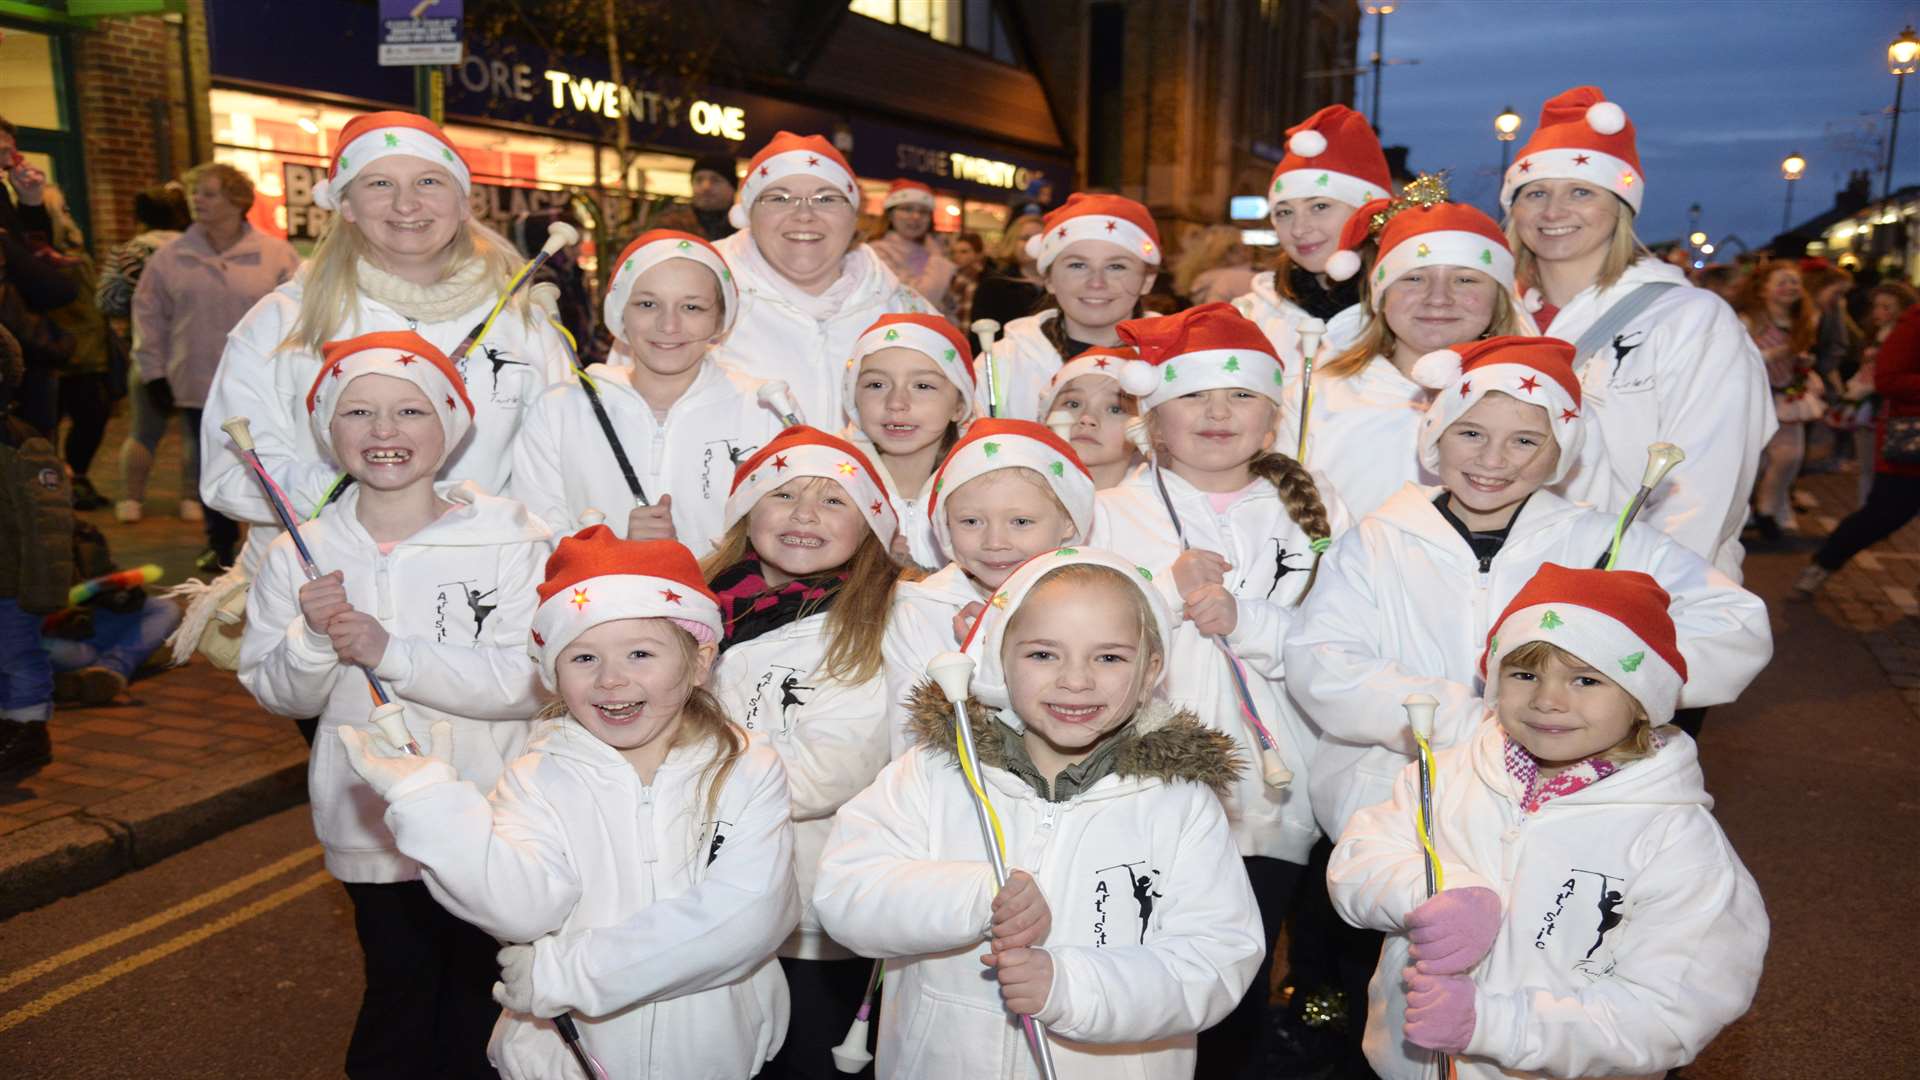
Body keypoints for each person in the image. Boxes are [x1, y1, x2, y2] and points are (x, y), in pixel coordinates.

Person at [337, 528, 800, 1079]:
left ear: (699, 663)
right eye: (583, 657)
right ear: (553, 676)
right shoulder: (537, 777)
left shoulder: (747, 768)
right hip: (565, 1060)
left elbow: (746, 916)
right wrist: (432, 806)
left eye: (640, 653)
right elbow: (521, 908)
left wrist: (564, 976)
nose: (611, 679)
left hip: (714, 1055)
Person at [1287, 335, 1769, 839]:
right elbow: (1323, 662)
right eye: (1470, 432)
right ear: (1435, 436)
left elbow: (1735, 624)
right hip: (1392, 816)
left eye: (1524, 440)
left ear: (1561, 455)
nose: (1492, 460)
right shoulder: (1375, 541)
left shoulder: (1604, 541)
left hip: (1562, 819)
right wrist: (1468, 720)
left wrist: (1610, 680)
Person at [813, 548, 1264, 1079]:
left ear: (1150, 672)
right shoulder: (933, 773)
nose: (1076, 680)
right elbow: (845, 892)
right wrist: (980, 893)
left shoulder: (1179, 803)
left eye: (1110, 657)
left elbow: (1215, 958)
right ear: (997, 658)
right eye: (1043, 655)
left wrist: (1070, 987)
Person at [237, 331, 550, 1078]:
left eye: (409, 411)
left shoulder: (511, 540)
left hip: (489, 810)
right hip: (374, 824)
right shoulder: (298, 552)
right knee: (401, 988)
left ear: (448, 425)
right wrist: (313, 640)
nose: (384, 432)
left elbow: (528, 681)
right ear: (329, 431)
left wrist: (392, 653)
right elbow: (277, 691)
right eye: (359, 413)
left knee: (486, 995)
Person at [1327, 564, 1768, 1080]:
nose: (1547, 699)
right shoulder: (1448, 774)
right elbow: (1359, 858)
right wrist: (1425, 894)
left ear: (1642, 700)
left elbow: (1669, 1012)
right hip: (1406, 1066)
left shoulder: (1675, 843)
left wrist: (1493, 1025)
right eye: (1525, 674)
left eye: (1585, 679)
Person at [1091, 303, 1348, 1078]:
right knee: (1139, 969)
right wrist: (1164, 597)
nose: (1216, 413)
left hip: (1270, 802)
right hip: (1137, 791)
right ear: (1152, 420)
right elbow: (1080, 642)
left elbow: (1347, 647)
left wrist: (1253, 621)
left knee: (1235, 986)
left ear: (1272, 418)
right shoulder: (1108, 512)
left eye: (1240, 397)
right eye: (1193, 396)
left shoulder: (1321, 511)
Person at [200, 111, 571, 581]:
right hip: (321, 590)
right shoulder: (284, 320)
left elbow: (560, 466)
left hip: (486, 587)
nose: (406, 205)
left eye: (429, 181)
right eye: (378, 184)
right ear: (346, 204)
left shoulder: (523, 322)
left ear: (462, 202)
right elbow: (229, 471)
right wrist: (375, 504)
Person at [700, 424, 907, 1080]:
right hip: (696, 897)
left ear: (869, 523)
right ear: (746, 511)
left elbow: (828, 772)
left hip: (808, 907)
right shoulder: (698, 609)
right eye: (783, 494)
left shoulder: (874, 621)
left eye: (834, 501)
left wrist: (682, 771)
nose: (804, 516)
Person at [1501, 86, 1774, 580]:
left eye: (1581, 191)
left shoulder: (1692, 320)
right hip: (1504, 587)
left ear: (1621, 207)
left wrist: (1625, 601)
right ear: (1514, 210)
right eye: (1535, 192)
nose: (1553, 211)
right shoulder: (1497, 317)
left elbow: (1705, 490)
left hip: (1631, 595)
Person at [511, 229, 783, 550]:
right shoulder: (560, 409)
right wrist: (615, 554)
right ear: (619, 313)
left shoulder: (764, 409)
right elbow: (535, 533)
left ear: (720, 318)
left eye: (692, 307)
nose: (668, 326)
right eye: (647, 304)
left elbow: (779, 535)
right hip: (595, 598)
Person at [1288, 186, 1546, 519]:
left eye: (1465, 280)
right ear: (1381, 296)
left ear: (1498, 299)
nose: (1438, 297)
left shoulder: (1537, 400)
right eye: (1414, 278)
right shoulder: (1316, 394)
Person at [880, 418, 1094, 755]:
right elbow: (913, 742)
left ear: (1068, 521)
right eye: (971, 521)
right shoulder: (920, 611)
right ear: (945, 527)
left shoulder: (1100, 609)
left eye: (1021, 522)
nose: (995, 542)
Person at [130, 163, 301, 565]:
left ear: (237, 201)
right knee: (210, 457)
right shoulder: (170, 258)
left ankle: (278, 535)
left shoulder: (275, 254)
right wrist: (152, 370)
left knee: (273, 454)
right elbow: (148, 315)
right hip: (199, 376)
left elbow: (300, 314)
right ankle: (219, 542)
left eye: (208, 193)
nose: (197, 201)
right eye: (195, 193)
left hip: (267, 378)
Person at [712, 132, 928, 427]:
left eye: (826, 198)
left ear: (854, 218)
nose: (804, 214)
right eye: (779, 198)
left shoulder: (904, 309)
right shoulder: (697, 298)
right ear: (748, 213)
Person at [972, 193, 1162, 422]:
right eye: (1078, 265)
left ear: (1147, 280)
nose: (1096, 282)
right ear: (1049, 279)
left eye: (1116, 266)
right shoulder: (1002, 364)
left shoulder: (1173, 362)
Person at [1234, 104, 1394, 367]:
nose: (1298, 229)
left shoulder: (1404, 315)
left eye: (1319, 206)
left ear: (1366, 213)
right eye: (1285, 212)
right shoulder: (1250, 315)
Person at [1798, 300, 1920, 596]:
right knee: (1884, 514)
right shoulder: (1915, 321)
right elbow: (1888, 379)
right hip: (1911, 445)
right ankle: (1824, 563)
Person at [840, 312, 977, 567]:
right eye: (876, 385)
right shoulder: (833, 486)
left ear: (960, 405)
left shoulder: (986, 483)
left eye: (923, 386)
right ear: (853, 399)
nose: (896, 403)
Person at [0, 346, 72, 777]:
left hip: (13, 585)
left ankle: (28, 730)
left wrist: (44, 591)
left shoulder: (22, 445)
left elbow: (47, 526)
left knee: (18, 656)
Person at [1732, 260, 1822, 541]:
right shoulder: (1750, 321)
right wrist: (1778, 354)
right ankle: (1744, 513)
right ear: (1763, 290)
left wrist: (1803, 361)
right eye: (1782, 282)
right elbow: (1736, 357)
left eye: (1794, 282)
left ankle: (1767, 508)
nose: (1790, 288)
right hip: (1755, 397)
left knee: (1789, 457)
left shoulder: (1802, 322)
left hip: (1786, 395)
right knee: (1752, 459)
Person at [1043, 345, 1141, 490]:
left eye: (1115, 409)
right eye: (1073, 404)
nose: (1087, 418)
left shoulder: (1156, 507)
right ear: (1045, 419)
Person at [868, 180, 957, 304]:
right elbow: (917, 302)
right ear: (890, 214)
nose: (916, 216)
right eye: (907, 209)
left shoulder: (932, 249)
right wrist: (937, 259)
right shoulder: (876, 252)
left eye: (923, 211)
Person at [967, 210, 1047, 329]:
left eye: (1038, 238)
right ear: (1013, 242)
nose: (1032, 244)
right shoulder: (994, 285)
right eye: (1025, 238)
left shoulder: (1060, 285)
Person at [1173, 224, 1256, 306]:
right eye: (1240, 246)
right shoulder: (1233, 279)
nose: (1247, 250)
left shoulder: (1202, 281)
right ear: (1227, 252)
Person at [940, 230, 985, 326]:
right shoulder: (952, 277)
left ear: (978, 254)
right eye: (954, 252)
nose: (957, 256)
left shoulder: (983, 278)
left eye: (964, 252)